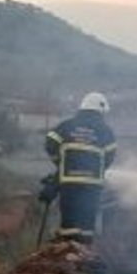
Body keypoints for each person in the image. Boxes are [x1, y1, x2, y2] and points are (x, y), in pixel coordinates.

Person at [45, 92, 116, 243]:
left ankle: (67, 250)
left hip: (70, 183)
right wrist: (97, 169)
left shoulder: (67, 126)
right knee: (87, 223)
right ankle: (83, 255)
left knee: (69, 221)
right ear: (101, 110)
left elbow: (50, 144)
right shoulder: (105, 131)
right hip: (93, 186)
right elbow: (110, 156)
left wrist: (61, 163)